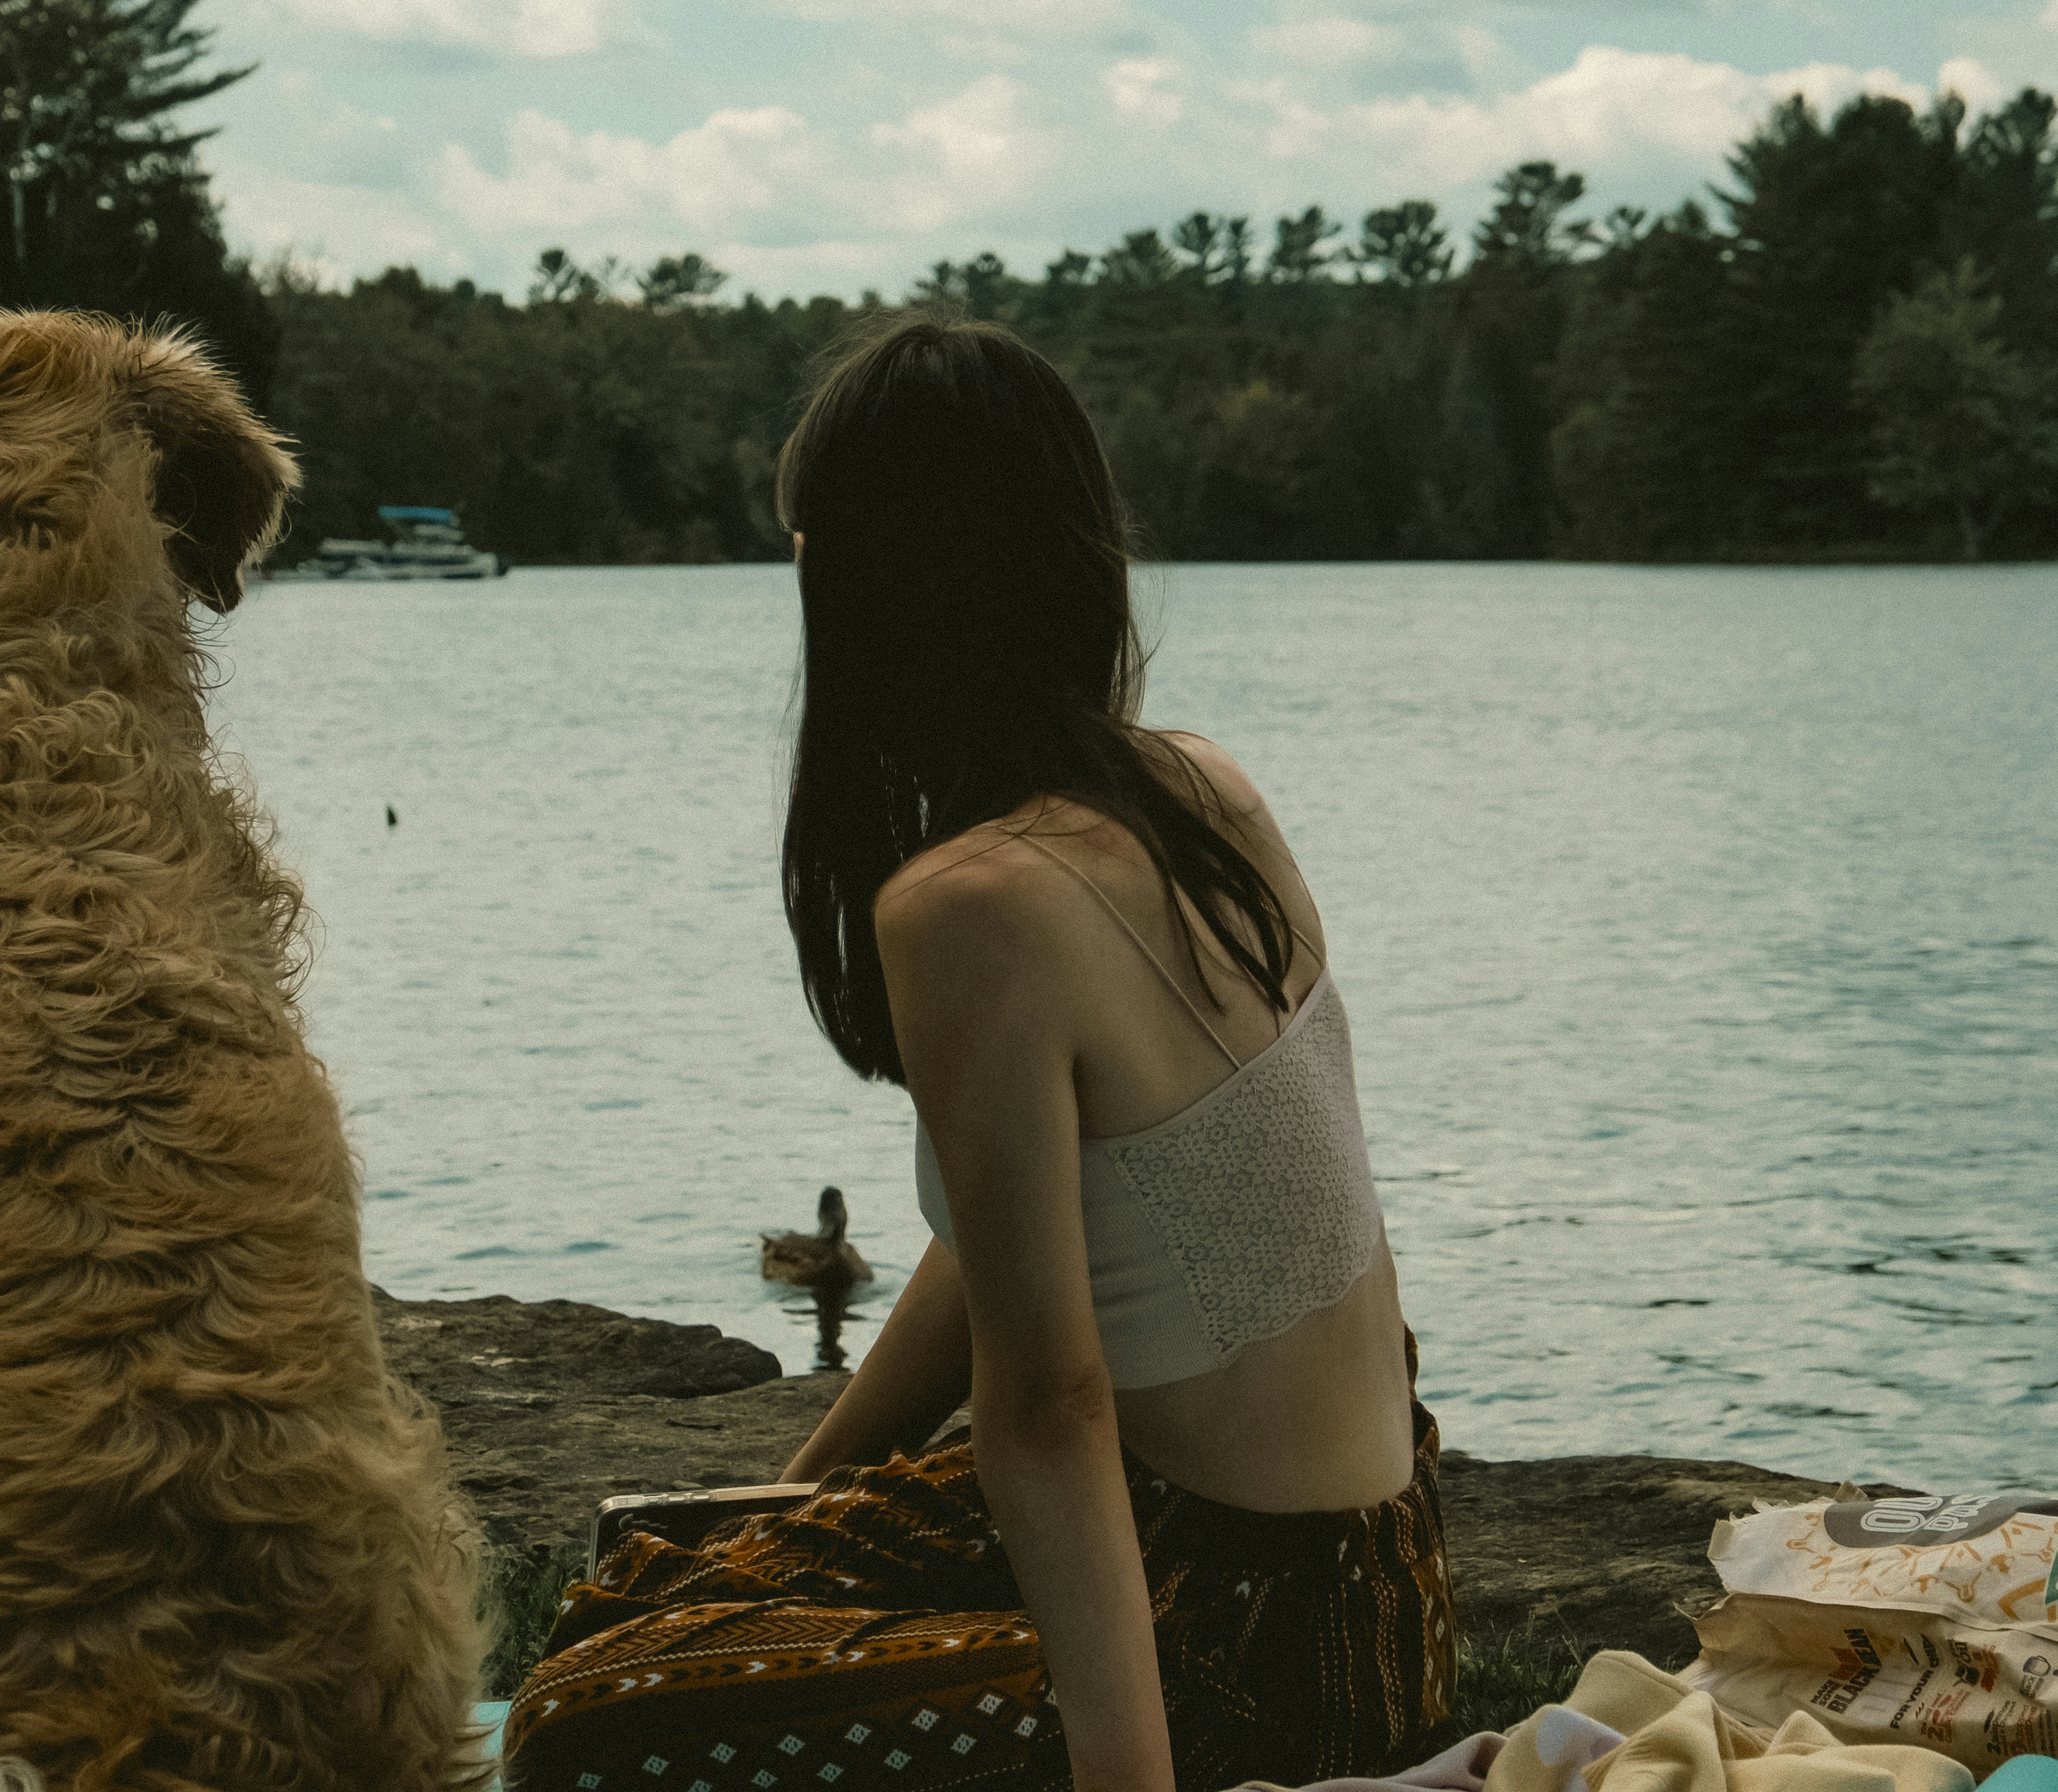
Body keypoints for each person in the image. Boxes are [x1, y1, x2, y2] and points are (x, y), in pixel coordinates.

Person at [501, 315, 1453, 1792]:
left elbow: (1051, 1407)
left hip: (1245, 1633)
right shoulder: (1203, 789)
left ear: (865, 592)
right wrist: (793, 1503)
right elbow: (1021, 1250)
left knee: (579, 1721)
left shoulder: (966, 910)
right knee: (661, 1590)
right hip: (1388, 1579)